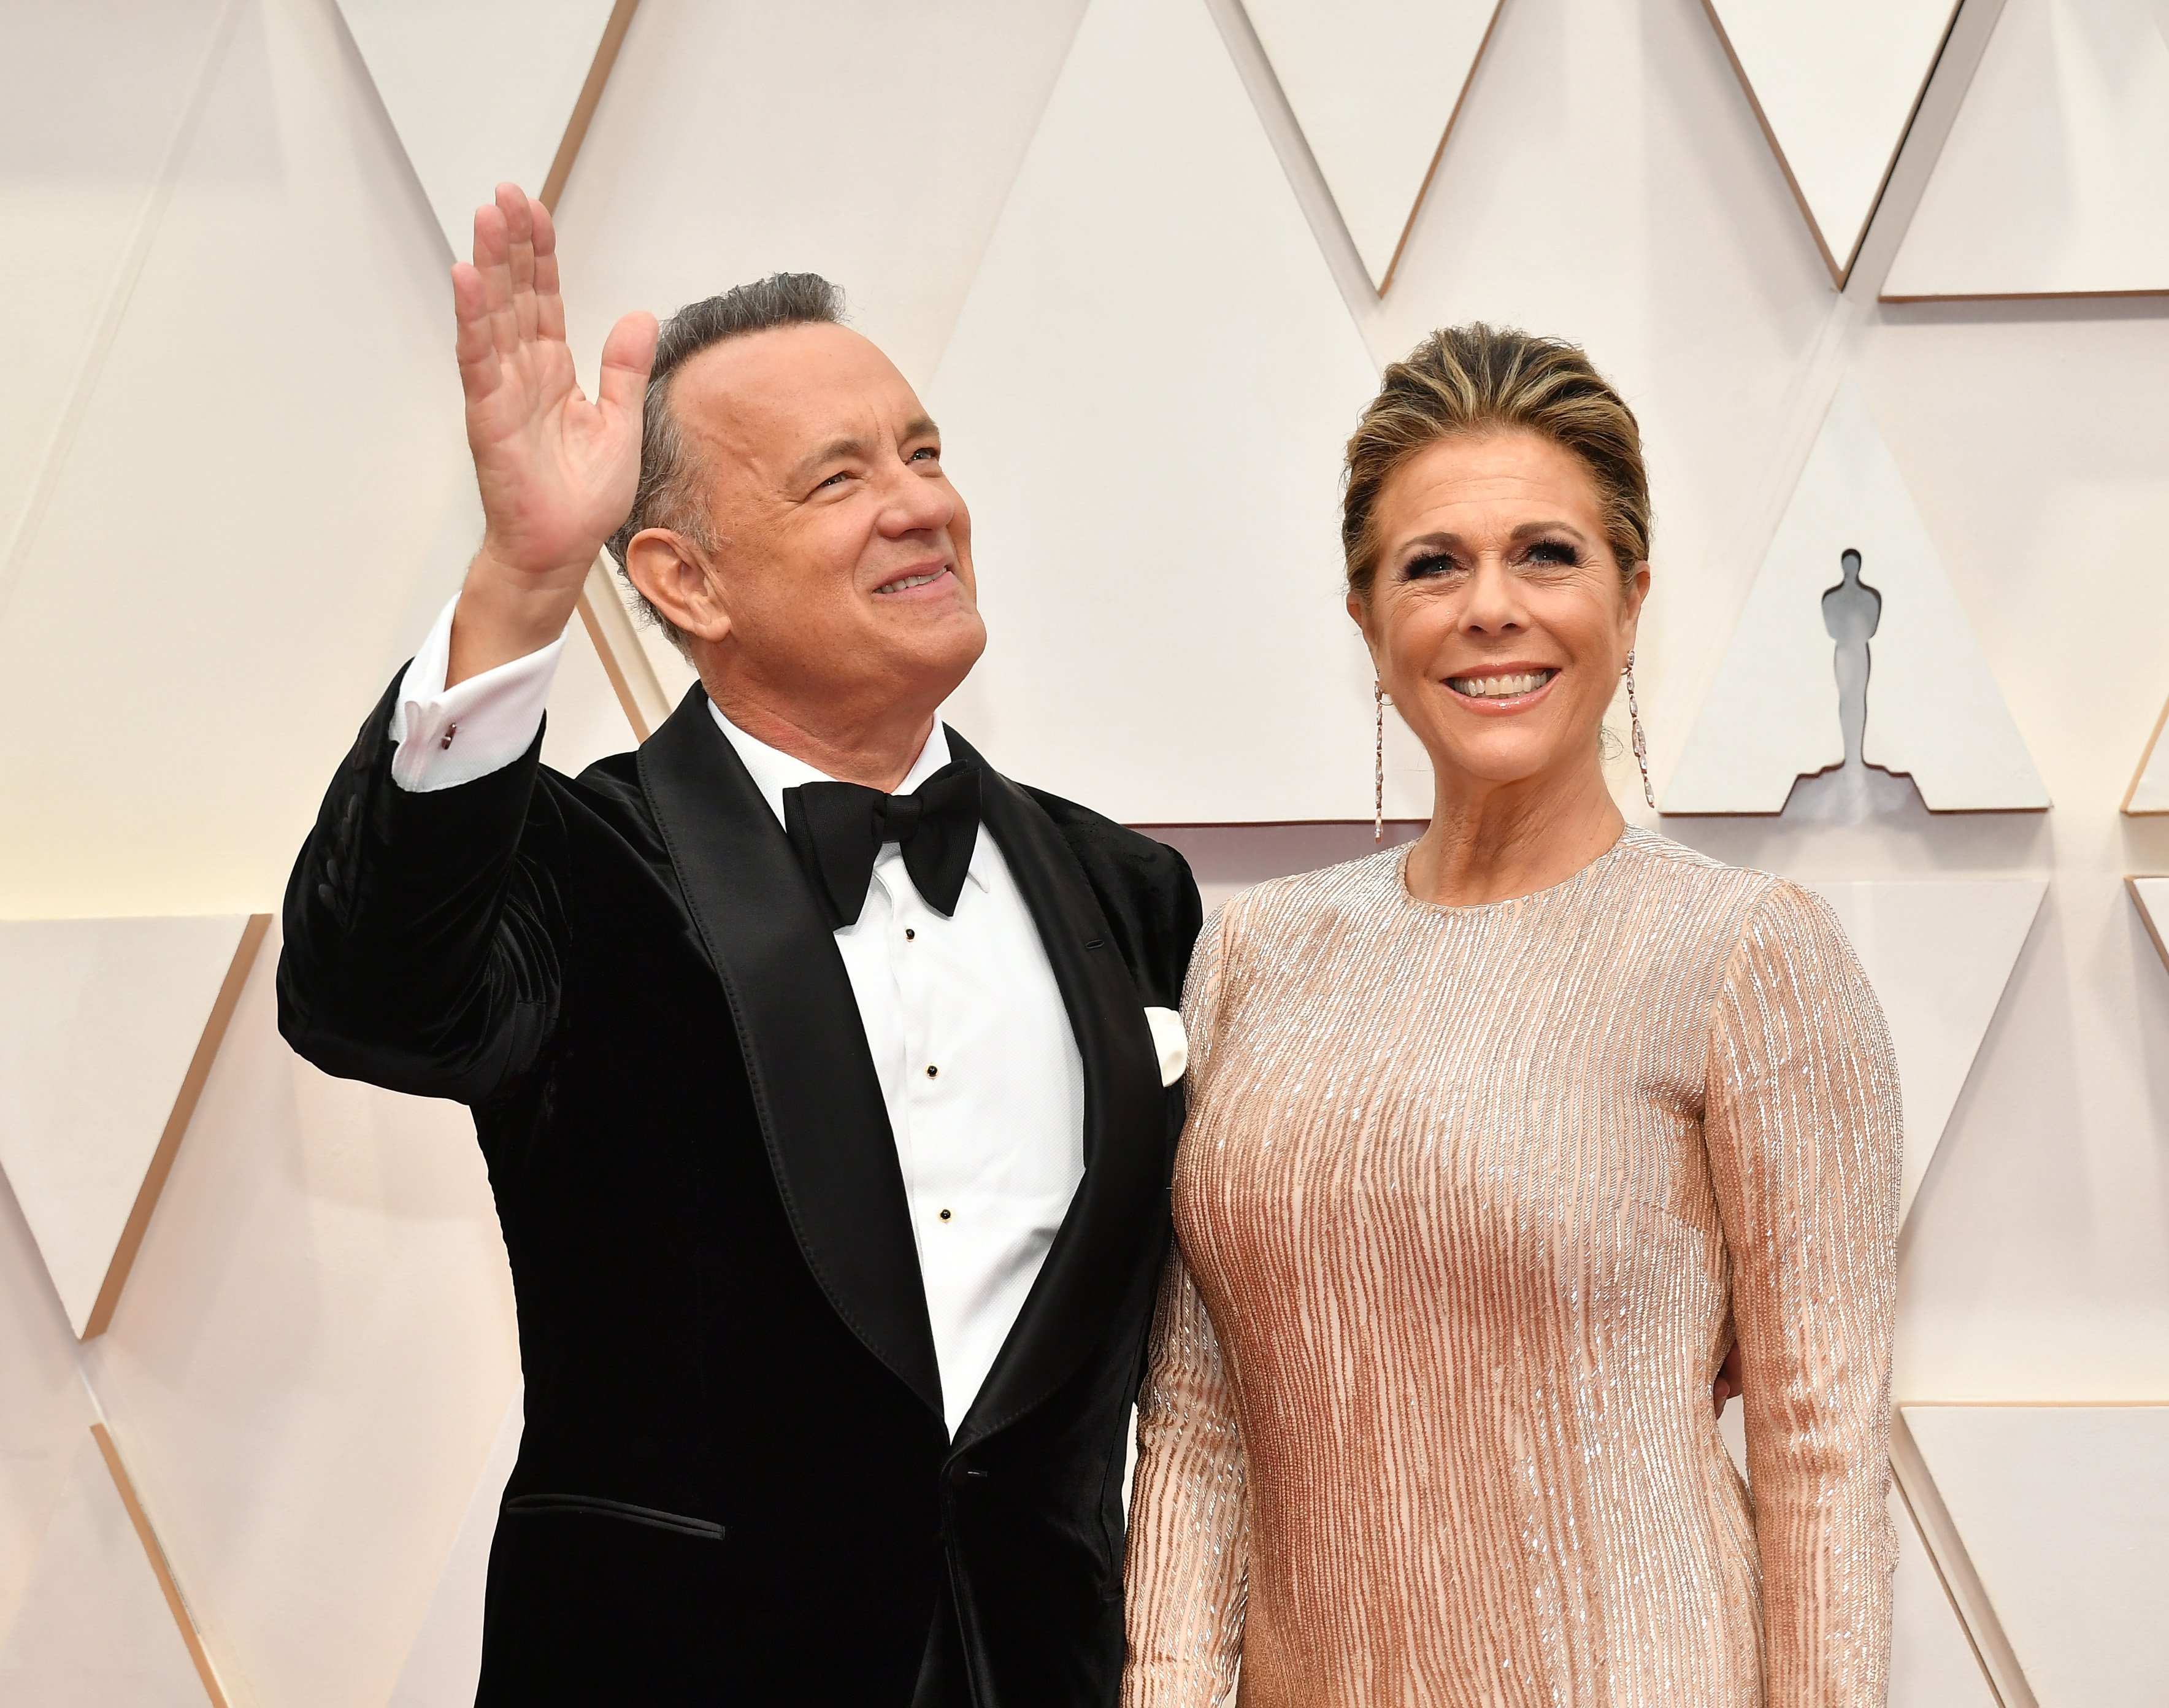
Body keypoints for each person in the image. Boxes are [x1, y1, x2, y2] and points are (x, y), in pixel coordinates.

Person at [277, 185, 1200, 1706]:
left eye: (924, 454)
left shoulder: (1128, 891)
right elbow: (367, 997)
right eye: (837, 479)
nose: (919, 505)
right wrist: (521, 582)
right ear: (681, 582)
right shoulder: (583, 864)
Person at [1121, 325, 1902, 1706]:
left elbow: (1817, 1446)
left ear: (1630, 597)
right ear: (1366, 621)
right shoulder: (1253, 951)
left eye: (1546, 553)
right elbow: (1197, 1420)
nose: (1491, 607)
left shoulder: (1744, 955)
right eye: (1433, 564)